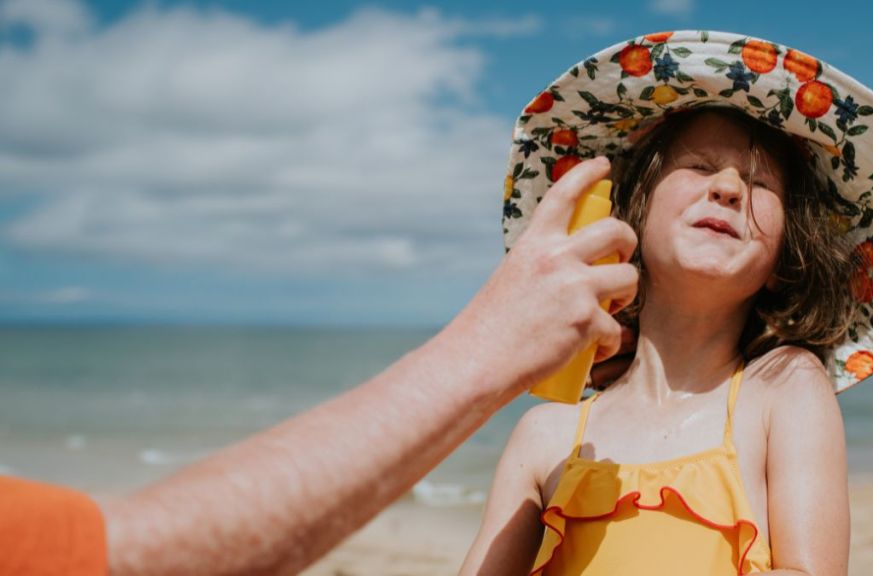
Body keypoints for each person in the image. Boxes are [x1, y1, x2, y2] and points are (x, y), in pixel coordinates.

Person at [0, 156, 640, 576]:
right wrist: (496, 341)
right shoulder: (546, 437)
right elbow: (130, 556)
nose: (727, 189)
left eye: (749, 180)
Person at [461, 30, 873, 575]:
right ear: (631, 213)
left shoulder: (784, 391)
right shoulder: (545, 436)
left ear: (786, 259)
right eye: (698, 167)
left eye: (762, 184)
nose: (730, 187)